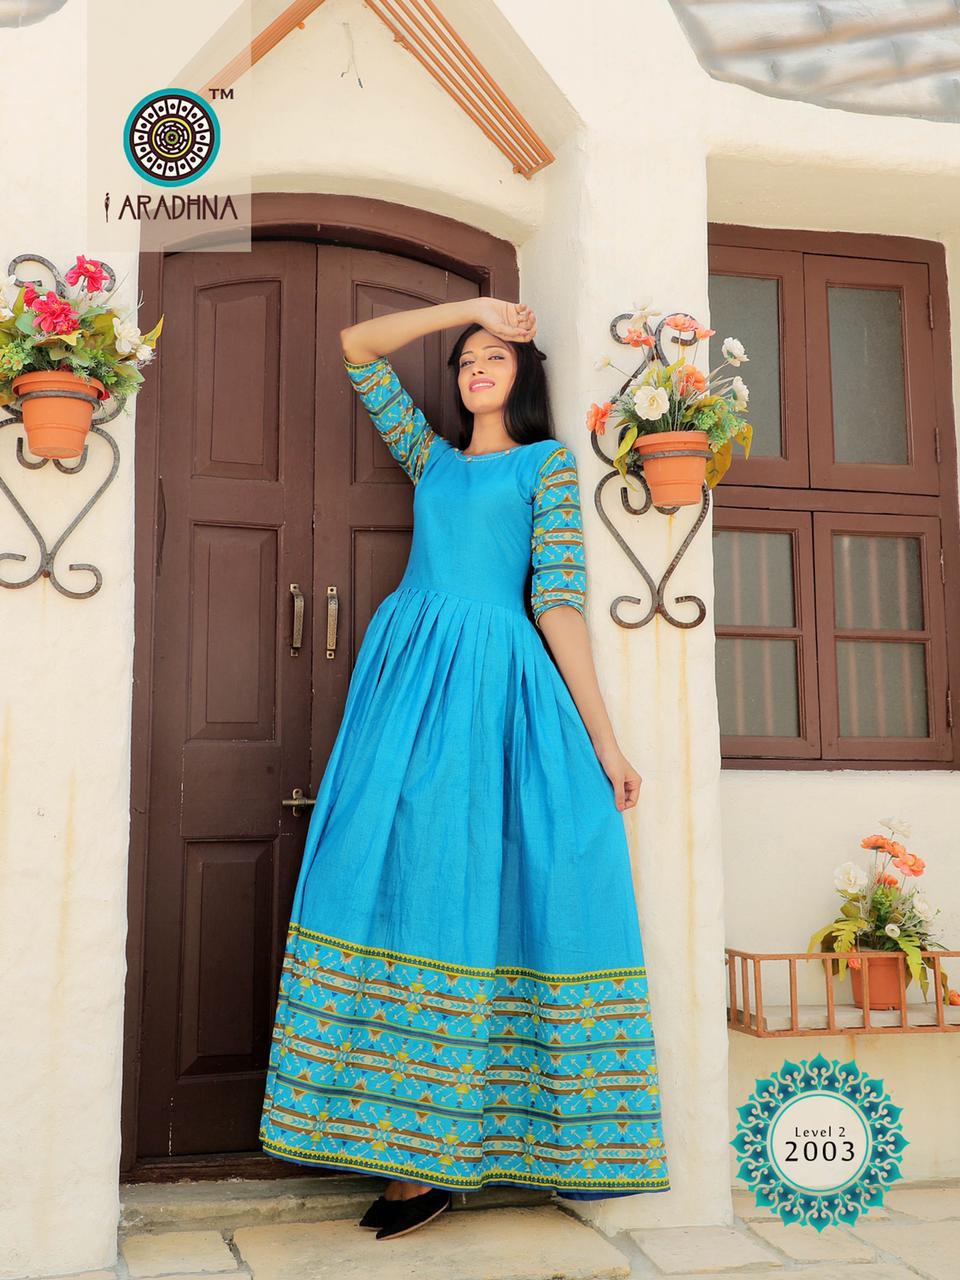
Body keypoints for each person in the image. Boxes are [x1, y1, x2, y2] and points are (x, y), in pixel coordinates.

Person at [259, 297, 670, 1241]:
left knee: (465, 879)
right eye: (468, 359)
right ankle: (401, 1149)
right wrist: (472, 309)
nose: (478, 367)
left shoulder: (546, 465)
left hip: (491, 683)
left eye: (496, 357)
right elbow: (356, 348)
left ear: (524, 378)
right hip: (404, 681)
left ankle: (437, 1164)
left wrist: (605, 742)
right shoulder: (432, 459)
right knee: (385, 872)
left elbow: (557, 599)